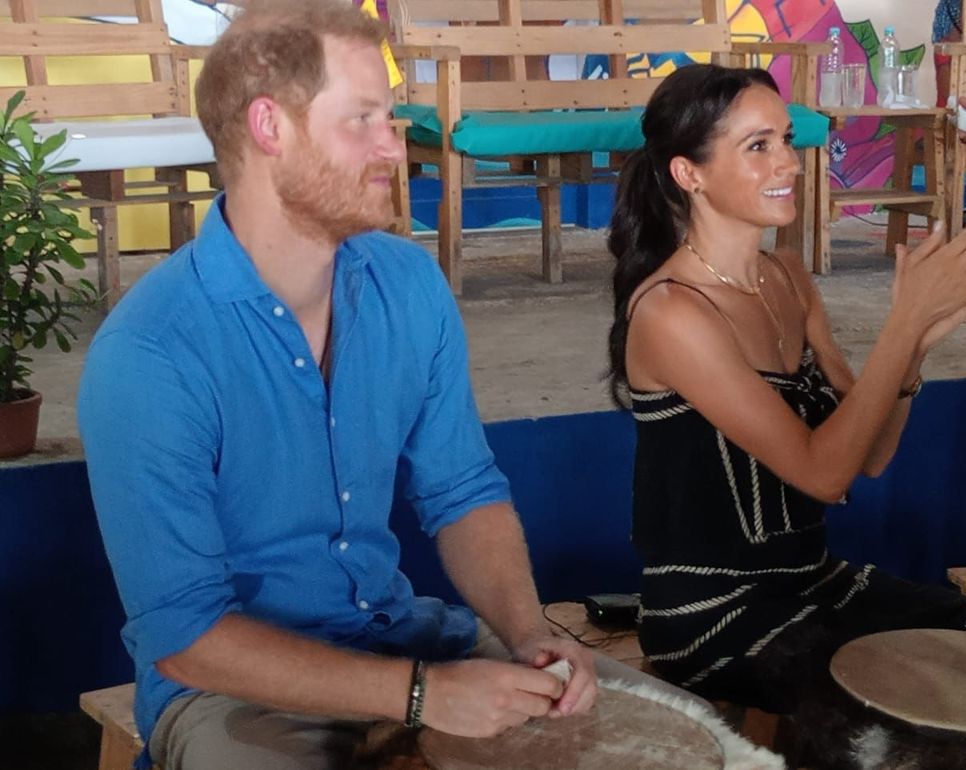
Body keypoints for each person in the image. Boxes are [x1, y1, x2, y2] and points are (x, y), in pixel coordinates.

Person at [77, 2, 617, 767]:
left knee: (649, 730)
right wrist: (427, 694)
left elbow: (462, 491)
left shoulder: (408, 283)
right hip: (238, 692)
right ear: (271, 128)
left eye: (390, 120)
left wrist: (530, 638)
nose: (393, 149)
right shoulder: (151, 352)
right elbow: (187, 638)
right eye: (362, 119)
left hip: (402, 639)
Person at [607, 63, 966, 768]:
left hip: (814, 581)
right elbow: (823, 476)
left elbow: (867, 453)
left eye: (788, 140)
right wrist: (902, 325)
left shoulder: (786, 277)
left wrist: (914, 346)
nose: (789, 164)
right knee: (896, 727)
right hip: (714, 614)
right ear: (689, 173)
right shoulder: (673, 311)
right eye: (757, 145)